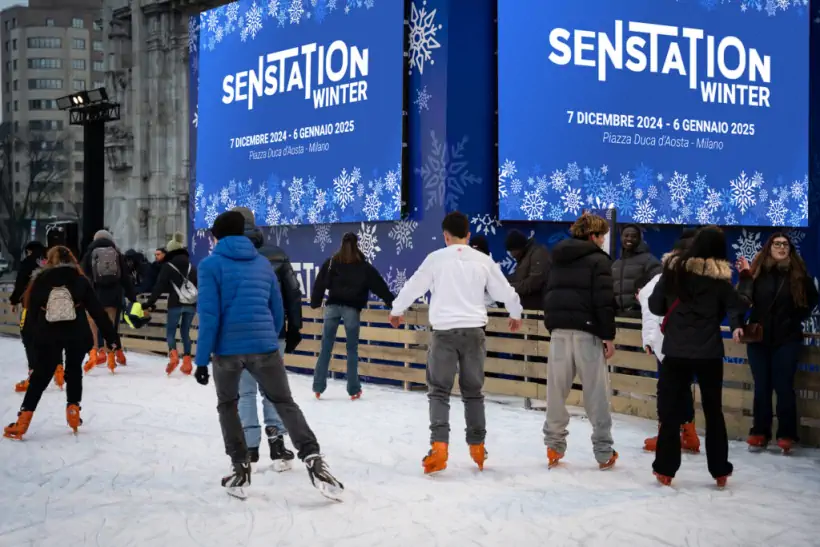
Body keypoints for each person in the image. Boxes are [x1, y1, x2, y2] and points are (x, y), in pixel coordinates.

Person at [194, 211, 343, 500]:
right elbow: (277, 310)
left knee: (228, 404)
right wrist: (267, 337)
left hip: (227, 350)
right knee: (284, 402)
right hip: (265, 345)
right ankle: (313, 457)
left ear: (218, 236)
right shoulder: (262, 264)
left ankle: (241, 466)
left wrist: (201, 360)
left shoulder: (210, 265)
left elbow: (209, 316)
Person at [388, 211, 523, 474]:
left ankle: (439, 446)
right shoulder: (483, 260)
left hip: (444, 333)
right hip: (474, 332)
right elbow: (505, 291)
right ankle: (477, 446)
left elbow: (414, 286)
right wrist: (515, 313)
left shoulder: (436, 259)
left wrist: (397, 309)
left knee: (439, 391)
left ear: (445, 237)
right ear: (468, 234)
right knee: (473, 392)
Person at [648, 226, 748, 488]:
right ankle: (719, 471)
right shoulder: (720, 279)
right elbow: (740, 303)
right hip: (708, 353)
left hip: (676, 352)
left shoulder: (673, 272)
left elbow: (655, 305)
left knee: (670, 412)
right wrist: (746, 278)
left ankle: (665, 470)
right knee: (713, 411)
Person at [4, 246, 121, 440]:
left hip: (48, 334)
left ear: (49, 261)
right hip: (77, 333)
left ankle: (23, 421)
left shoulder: (40, 281)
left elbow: (32, 313)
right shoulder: (79, 280)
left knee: (40, 377)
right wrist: (112, 338)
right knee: (74, 371)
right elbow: (97, 312)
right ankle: (73, 411)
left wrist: (33, 341)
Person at [542, 213, 619, 470]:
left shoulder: (557, 257)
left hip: (559, 333)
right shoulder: (598, 261)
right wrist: (608, 335)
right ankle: (603, 451)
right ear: (593, 236)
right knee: (596, 393)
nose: (603, 241)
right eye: (602, 236)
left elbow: (550, 293)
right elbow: (604, 301)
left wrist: (552, 325)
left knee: (555, 391)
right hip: (588, 334)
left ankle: (553, 446)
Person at [232, 206, 301, 469]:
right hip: (273, 333)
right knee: (273, 390)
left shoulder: (224, 258)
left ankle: (250, 446)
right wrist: (295, 328)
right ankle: (277, 442)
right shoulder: (276, 255)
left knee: (246, 391)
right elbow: (292, 294)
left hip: (238, 336)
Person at [736, 233, 818, 454]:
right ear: (769, 247)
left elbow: (811, 300)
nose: (781, 247)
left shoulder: (799, 275)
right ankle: (759, 432)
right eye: (777, 244)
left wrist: (794, 319)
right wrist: (738, 323)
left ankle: (786, 434)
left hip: (787, 339)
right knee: (761, 386)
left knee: (783, 387)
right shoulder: (757, 272)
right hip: (759, 339)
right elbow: (741, 300)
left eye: (785, 244)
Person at [636, 229, 699, 453]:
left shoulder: (664, 279)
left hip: (670, 343)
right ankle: (689, 433)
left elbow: (652, 310)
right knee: (682, 388)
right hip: (696, 343)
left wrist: (650, 341)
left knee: (668, 389)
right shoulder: (706, 278)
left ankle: (668, 434)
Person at [310, 232, 394, 400]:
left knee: (326, 347)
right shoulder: (363, 267)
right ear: (357, 245)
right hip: (351, 310)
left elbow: (320, 283)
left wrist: (315, 302)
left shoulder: (332, 262)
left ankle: (318, 387)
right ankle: (353, 389)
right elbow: (380, 286)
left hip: (332, 308)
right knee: (352, 350)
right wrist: (393, 304)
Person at [81, 230, 138, 372]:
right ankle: (111, 358)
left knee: (93, 325)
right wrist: (133, 298)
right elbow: (125, 278)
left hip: (94, 296)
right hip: (113, 296)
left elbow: (82, 276)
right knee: (110, 328)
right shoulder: (117, 254)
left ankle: (93, 354)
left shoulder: (89, 253)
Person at [143, 232, 198, 376]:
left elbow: (159, 287)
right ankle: (187, 363)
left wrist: (149, 303)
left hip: (175, 304)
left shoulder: (168, 266)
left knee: (171, 332)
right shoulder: (192, 267)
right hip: (191, 305)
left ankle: (173, 357)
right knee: (185, 332)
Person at [9, 241, 46, 393]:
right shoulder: (49, 261)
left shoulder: (27, 262)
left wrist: (13, 300)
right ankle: (58, 369)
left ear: (29, 251)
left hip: (30, 306)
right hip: (49, 306)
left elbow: (20, 283)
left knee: (27, 335)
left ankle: (34, 371)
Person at [612, 224, 662, 318]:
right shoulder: (616, 264)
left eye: (634, 236)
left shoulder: (649, 260)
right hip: (618, 316)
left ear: (639, 239)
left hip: (641, 316)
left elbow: (658, 285)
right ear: (621, 238)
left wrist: (639, 303)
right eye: (626, 236)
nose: (629, 239)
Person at [505, 229, 551, 311]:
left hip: (538, 309)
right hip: (528, 308)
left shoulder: (538, 254)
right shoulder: (524, 256)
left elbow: (534, 283)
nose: (511, 255)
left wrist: (508, 287)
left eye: (512, 251)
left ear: (518, 247)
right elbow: (518, 277)